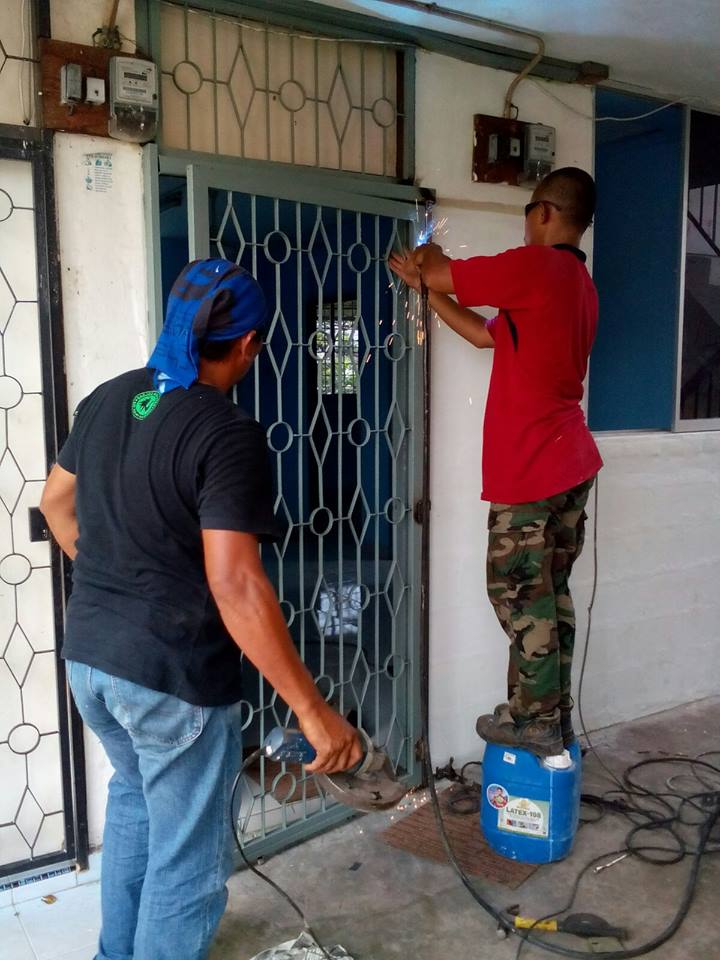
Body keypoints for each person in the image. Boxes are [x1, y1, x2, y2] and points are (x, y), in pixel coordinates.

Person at [40, 259, 361, 960]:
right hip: (170, 675)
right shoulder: (226, 432)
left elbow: (53, 505)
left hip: (91, 660)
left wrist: (114, 578)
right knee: (188, 859)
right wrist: (313, 711)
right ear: (248, 345)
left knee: (135, 802)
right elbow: (237, 585)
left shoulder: (108, 399)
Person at [389, 168, 601, 758]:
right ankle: (548, 716)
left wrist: (424, 246)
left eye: (527, 211)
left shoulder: (537, 268)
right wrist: (427, 295)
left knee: (516, 590)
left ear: (544, 213)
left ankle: (533, 719)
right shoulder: (576, 287)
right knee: (548, 591)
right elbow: (485, 335)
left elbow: (434, 263)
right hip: (568, 463)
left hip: (533, 467)